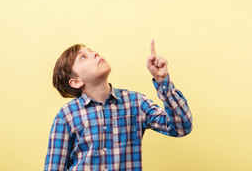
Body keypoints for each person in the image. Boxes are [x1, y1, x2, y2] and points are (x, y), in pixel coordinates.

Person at [44, 40, 193, 171]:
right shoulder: (66, 115)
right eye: (83, 57)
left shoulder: (136, 103)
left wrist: (162, 81)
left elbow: (181, 127)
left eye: (91, 51)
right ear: (76, 81)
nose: (95, 53)